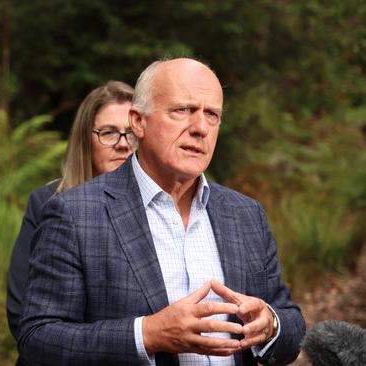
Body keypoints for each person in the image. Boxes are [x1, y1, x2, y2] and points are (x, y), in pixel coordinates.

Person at [18, 58, 305, 365]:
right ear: (138, 122)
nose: (200, 128)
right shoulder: (76, 214)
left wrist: (271, 325)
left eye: (212, 115)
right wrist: (148, 334)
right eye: (183, 110)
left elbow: (291, 324)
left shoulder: (245, 214)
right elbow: (39, 340)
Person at [7, 81, 136, 340]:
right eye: (108, 132)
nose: (123, 144)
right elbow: (21, 310)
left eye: (132, 133)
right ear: (84, 139)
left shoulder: (159, 208)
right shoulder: (47, 203)